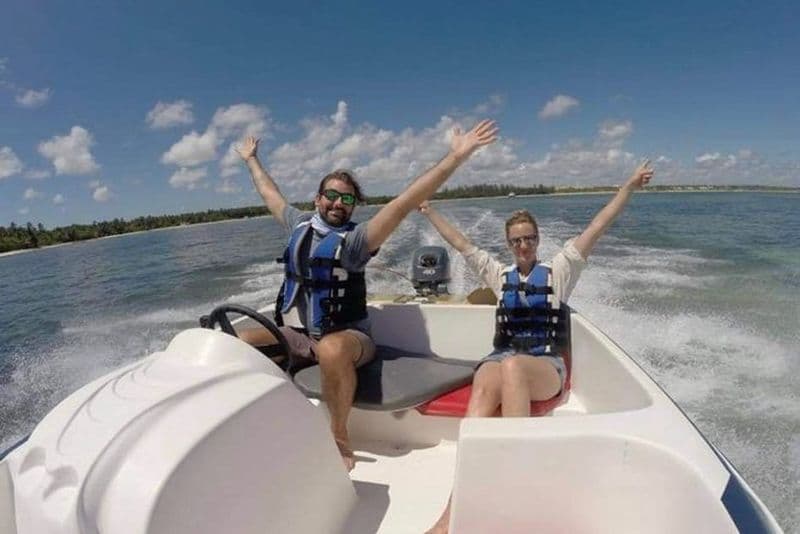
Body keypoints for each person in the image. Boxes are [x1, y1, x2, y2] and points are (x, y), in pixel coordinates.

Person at [235, 119, 498, 471]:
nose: (337, 203)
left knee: (331, 348)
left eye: (346, 198)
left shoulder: (357, 241)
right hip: (299, 335)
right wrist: (251, 160)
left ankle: (339, 437)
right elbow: (270, 193)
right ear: (317, 198)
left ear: (353, 206)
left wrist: (455, 157)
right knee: (232, 341)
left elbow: (404, 203)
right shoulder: (298, 223)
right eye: (330, 195)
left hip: (351, 339)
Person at [420, 160, 654, 534]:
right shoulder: (500, 275)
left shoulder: (560, 270)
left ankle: (515, 491)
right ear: (509, 244)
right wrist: (428, 209)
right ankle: (452, 511)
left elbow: (598, 224)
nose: (523, 245)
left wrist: (628, 185)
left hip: (545, 365)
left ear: (538, 239)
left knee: (512, 367)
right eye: (516, 240)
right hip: (503, 357)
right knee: (485, 379)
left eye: (529, 238)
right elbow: (461, 244)